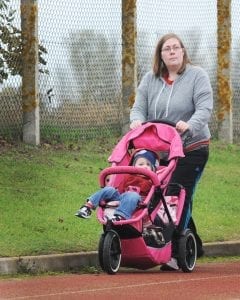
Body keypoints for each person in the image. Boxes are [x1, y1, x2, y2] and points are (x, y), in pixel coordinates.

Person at [130, 33, 213, 270]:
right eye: (167, 49)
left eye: (177, 48)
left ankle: (177, 251)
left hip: (191, 147)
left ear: (183, 52)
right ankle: (193, 241)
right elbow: (138, 107)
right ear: (161, 55)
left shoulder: (197, 76)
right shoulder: (150, 79)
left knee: (178, 193)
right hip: (160, 151)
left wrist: (190, 125)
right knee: (157, 196)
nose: (173, 52)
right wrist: (137, 121)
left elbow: (205, 108)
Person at [75, 149, 160, 221]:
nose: (145, 167)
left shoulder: (152, 180)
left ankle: (120, 215)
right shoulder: (128, 176)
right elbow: (120, 189)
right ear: (133, 166)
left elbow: (153, 195)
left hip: (138, 201)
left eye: (148, 165)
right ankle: (87, 207)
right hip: (121, 197)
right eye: (141, 164)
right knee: (109, 189)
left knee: (132, 195)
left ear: (153, 169)